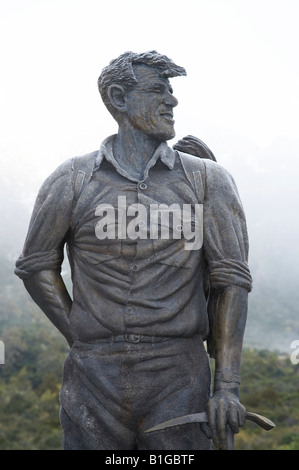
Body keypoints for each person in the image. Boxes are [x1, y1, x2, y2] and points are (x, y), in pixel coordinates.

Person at [15, 50, 252, 450]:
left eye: (172, 91)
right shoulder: (71, 179)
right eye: (158, 89)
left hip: (179, 376)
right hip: (92, 380)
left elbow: (231, 281)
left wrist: (227, 386)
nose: (172, 101)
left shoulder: (208, 181)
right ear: (119, 98)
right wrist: (81, 333)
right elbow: (37, 265)